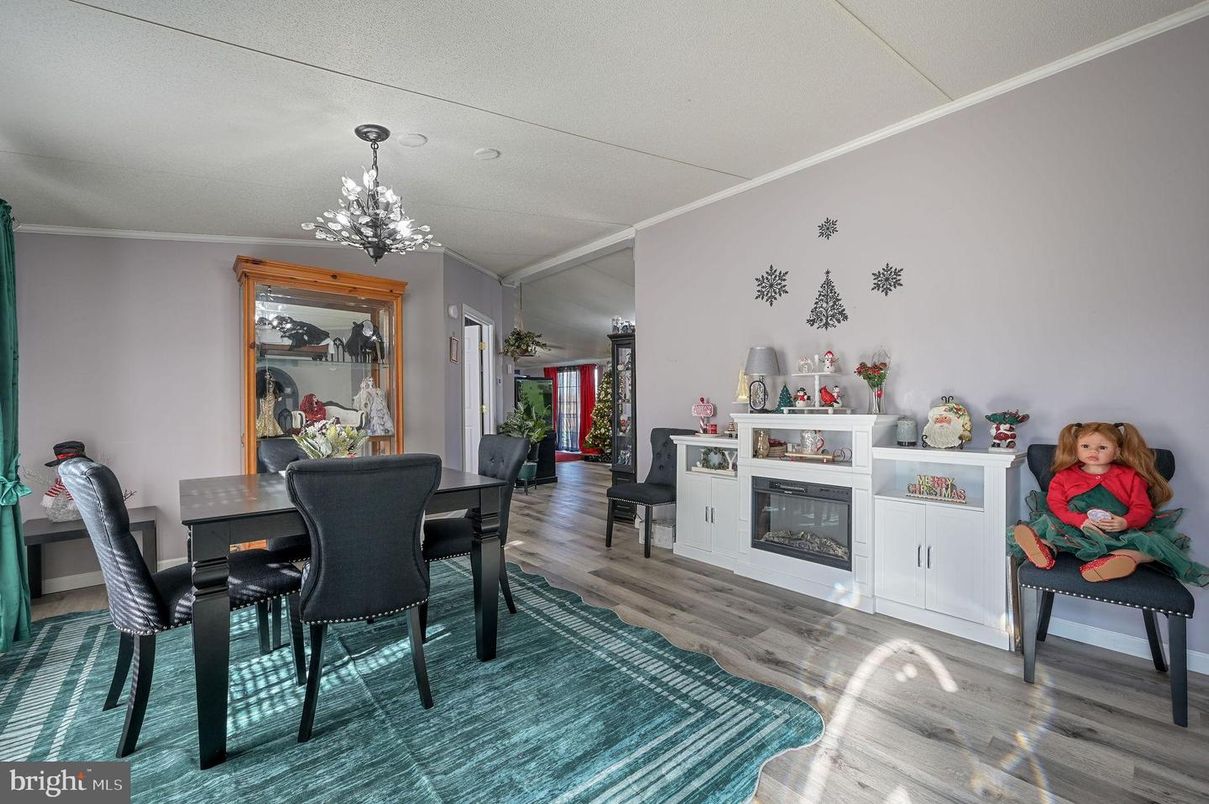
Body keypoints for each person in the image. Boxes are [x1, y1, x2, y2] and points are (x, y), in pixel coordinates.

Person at [1010, 422, 1208, 585]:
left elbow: (1143, 508)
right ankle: (1044, 550)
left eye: (1102, 447)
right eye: (1086, 446)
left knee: (1150, 544)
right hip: (1075, 528)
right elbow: (1056, 505)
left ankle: (1116, 561)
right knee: (1049, 530)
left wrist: (1125, 522)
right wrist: (1079, 521)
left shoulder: (1130, 477)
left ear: (1117, 451)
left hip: (1118, 531)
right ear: (1076, 447)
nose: (1093, 452)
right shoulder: (1064, 476)